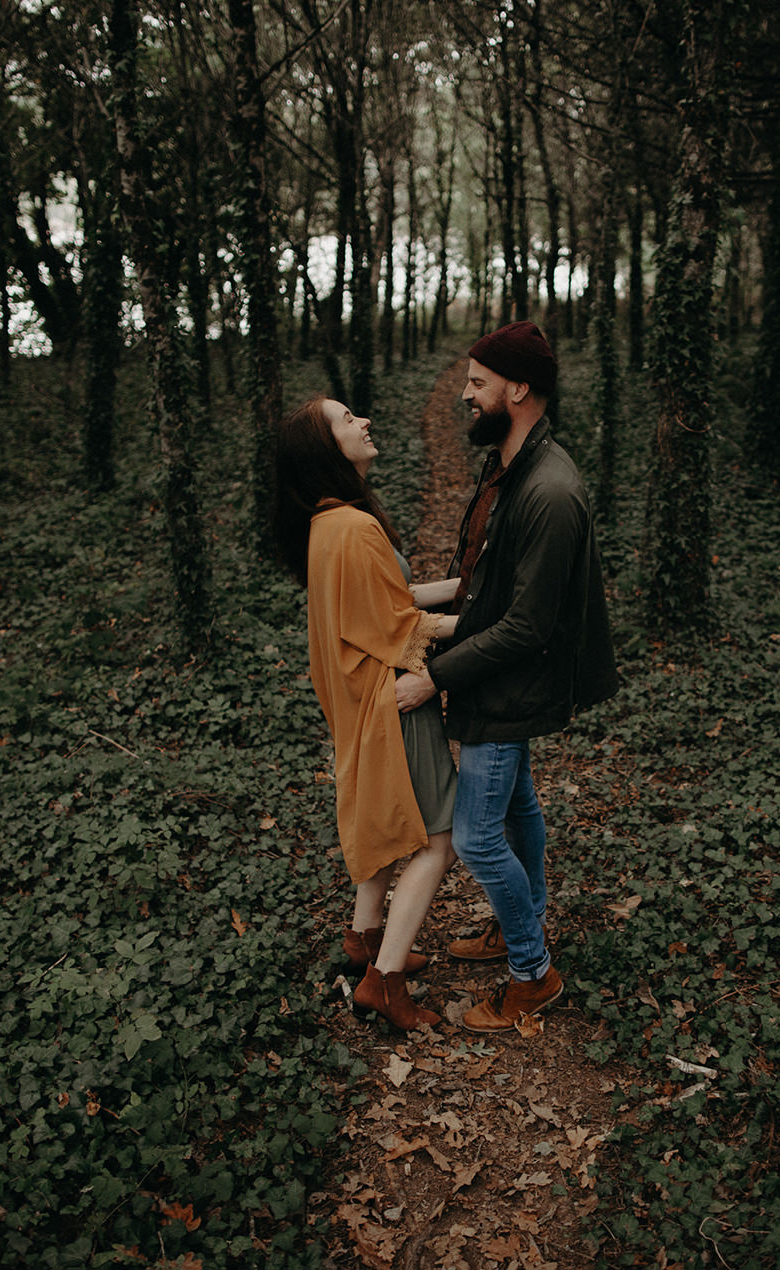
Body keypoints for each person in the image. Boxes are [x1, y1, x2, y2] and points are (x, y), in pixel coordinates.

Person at [397, 321, 619, 1034]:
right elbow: (484, 581)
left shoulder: (551, 492)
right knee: (517, 807)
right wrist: (409, 601)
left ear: (519, 389)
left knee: (476, 838)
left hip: (514, 683)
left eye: (477, 383)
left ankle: (532, 972)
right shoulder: (511, 465)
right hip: (500, 675)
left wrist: (434, 678)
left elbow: (528, 625)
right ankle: (516, 918)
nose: (464, 395)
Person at [273, 396, 460, 1031]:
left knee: (384, 821)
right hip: (392, 702)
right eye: (347, 420)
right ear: (326, 449)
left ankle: (365, 939)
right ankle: (384, 980)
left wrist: (468, 589)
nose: (365, 423)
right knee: (441, 838)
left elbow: (389, 598)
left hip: (361, 700)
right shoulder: (355, 528)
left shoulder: (328, 525)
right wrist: (507, 623)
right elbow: (401, 626)